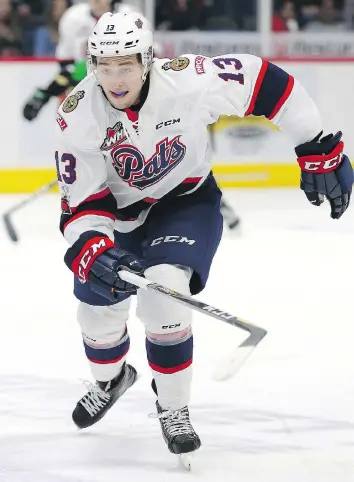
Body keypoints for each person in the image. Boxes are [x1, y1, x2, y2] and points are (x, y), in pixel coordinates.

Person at [55, 11, 353, 458]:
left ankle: (173, 408)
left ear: (148, 59)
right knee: (96, 318)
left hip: (185, 202)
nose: (116, 78)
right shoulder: (77, 116)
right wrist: (94, 247)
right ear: (92, 64)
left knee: (165, 297)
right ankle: (112, 381)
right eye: (105, 65)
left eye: (127, 65)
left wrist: (316, 146)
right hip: (118, 218)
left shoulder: (188, 81)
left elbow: (266, 82)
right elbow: (82, 203)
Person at [23, 0, 135, 120]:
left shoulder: (128, 16)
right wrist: (48, 92)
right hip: (85, 76)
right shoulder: (74, 18)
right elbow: (70, 65)